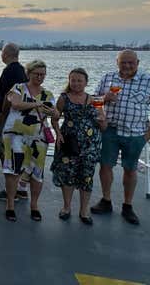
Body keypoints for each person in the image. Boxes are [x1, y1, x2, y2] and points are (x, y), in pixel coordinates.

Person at [90, 50, 150, 225]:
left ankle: (127, 205)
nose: (127, 66)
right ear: (117, 62)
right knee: (105, 166)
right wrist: (104, 98)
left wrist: (149, 134)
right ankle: (106, 201)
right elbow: (94, 100)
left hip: (135, 134)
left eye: (131, 62)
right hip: (110, 131)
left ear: (137, 63)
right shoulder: (108, 78)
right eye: (123, 62)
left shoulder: (149, 81)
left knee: (130, 169)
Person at [1, 60, 58, 222]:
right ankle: (10, 205)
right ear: (29, 74)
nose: (40, 77)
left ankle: (34, 205)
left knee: (37, 173)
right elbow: (17, 104)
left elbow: (56, 115)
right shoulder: (18, 88)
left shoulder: (48, 94)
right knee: (12, 170)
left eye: (42, 74)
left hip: (38, 138)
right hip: (15, 135)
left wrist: (53, 112)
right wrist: (37, 103)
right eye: (36, 74)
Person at [51, 68, 107, 225]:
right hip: (69, 143)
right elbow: (54, 118)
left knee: (86, 177)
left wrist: (102, 119)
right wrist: (58, 133)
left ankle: (84, 210)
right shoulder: (64, 98)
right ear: (69, 81)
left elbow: (103, 127)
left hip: (90, 145)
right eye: (73, 80)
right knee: (67, 174)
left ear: (86, 82)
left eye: (79, 80)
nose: (76, 83)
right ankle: (67, 207)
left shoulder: (96, 100)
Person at [0, 43, 30, 202]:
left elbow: (5, 95)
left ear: (6, 54)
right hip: (21, 119)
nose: (1, 55)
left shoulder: (9, 71)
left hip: (8, 118)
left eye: (2, 53)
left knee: (5, 153)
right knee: (18, 152)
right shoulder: (22, 71)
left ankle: (11, 190)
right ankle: (21, 187)